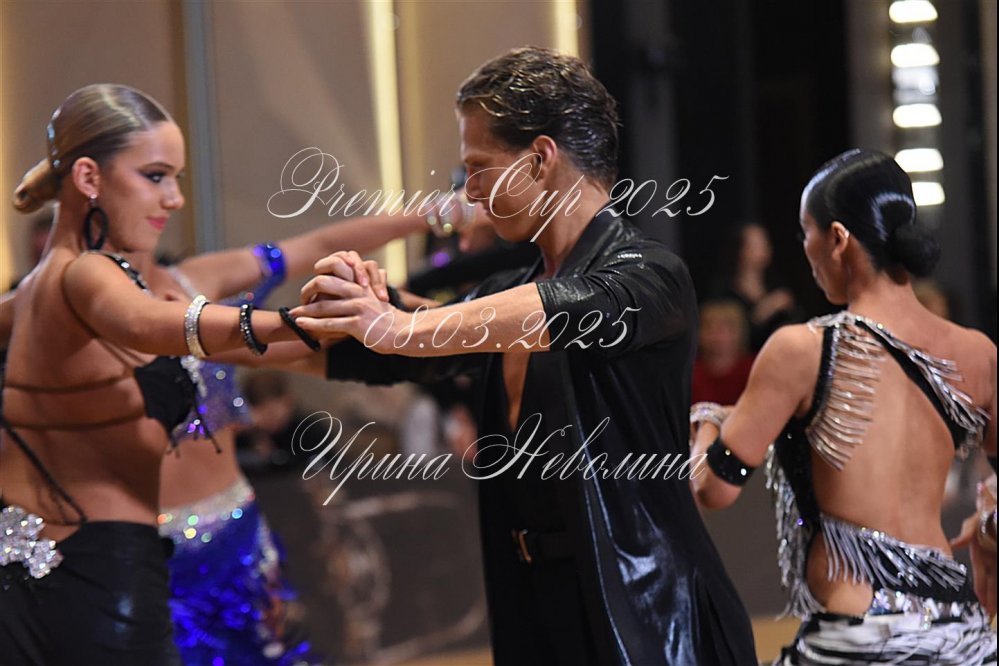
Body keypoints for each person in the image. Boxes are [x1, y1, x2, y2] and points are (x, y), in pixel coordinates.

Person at [291, 47, 757, 665]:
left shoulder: (650, 273)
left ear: (539, 159)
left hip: (651, 613)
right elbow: (401, 344)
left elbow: (560, 311)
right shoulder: (506, 292)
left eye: (478, 167)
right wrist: (319, 313)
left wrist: (396, 325)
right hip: (538, 603)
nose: (470, 191)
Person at [0, 83, 324, 664]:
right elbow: (150, 324)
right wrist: (300, 323)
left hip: (42, 570)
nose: (173, 199)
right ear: (88, 177)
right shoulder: (84, 273)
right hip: (104, 576)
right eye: (155, 176)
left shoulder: (31, 293)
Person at [690, 149, 997, 664]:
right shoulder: (978, 354)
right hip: (960, 639)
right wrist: (988, 525)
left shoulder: (802, 351)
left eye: (805, 233)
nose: (804, 250)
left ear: (837, 239)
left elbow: (713, 487)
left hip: (858, 642)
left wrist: (707, 421)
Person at [713, 221, 799, 351]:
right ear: (739, 248)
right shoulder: (725, 290)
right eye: (755, 244)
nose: (763, 249)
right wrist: (765, 310)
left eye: (764, 243)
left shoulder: (777, 285)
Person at [691, 299, 756, 404]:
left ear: (739, 332)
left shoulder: (753, 370)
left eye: (723, 329)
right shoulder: (690, 373)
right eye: (709, 327)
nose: (716, 335)